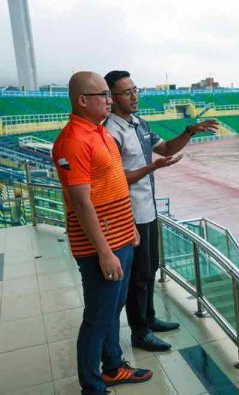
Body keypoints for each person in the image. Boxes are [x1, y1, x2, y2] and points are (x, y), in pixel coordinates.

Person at [52, 71, 152, 394]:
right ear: (83, 101)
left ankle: (113, 367)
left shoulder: (100, 133)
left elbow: (114, 185)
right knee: (96, 318)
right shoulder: (73, 141)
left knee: (112, 309)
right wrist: (105, 252)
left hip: (121, 237)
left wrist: (128, 230)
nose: (109, 101)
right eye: (103, 96)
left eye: (110, 96)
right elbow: (82, 204)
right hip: (100, 249)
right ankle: (92, 387)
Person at [104, 70, 218, 352]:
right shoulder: (110, 132)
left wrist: (189, 131)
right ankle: (139, 333)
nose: (134, 96)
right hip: (128, 215)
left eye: (135, 90)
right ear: (112, 97)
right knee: (138, 277)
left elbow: (165, 148)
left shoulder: (139, 124)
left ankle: (150, 318)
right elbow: (116, 178)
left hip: (148, 211)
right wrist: (152, 168)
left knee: (150, 269)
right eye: (126, 92)